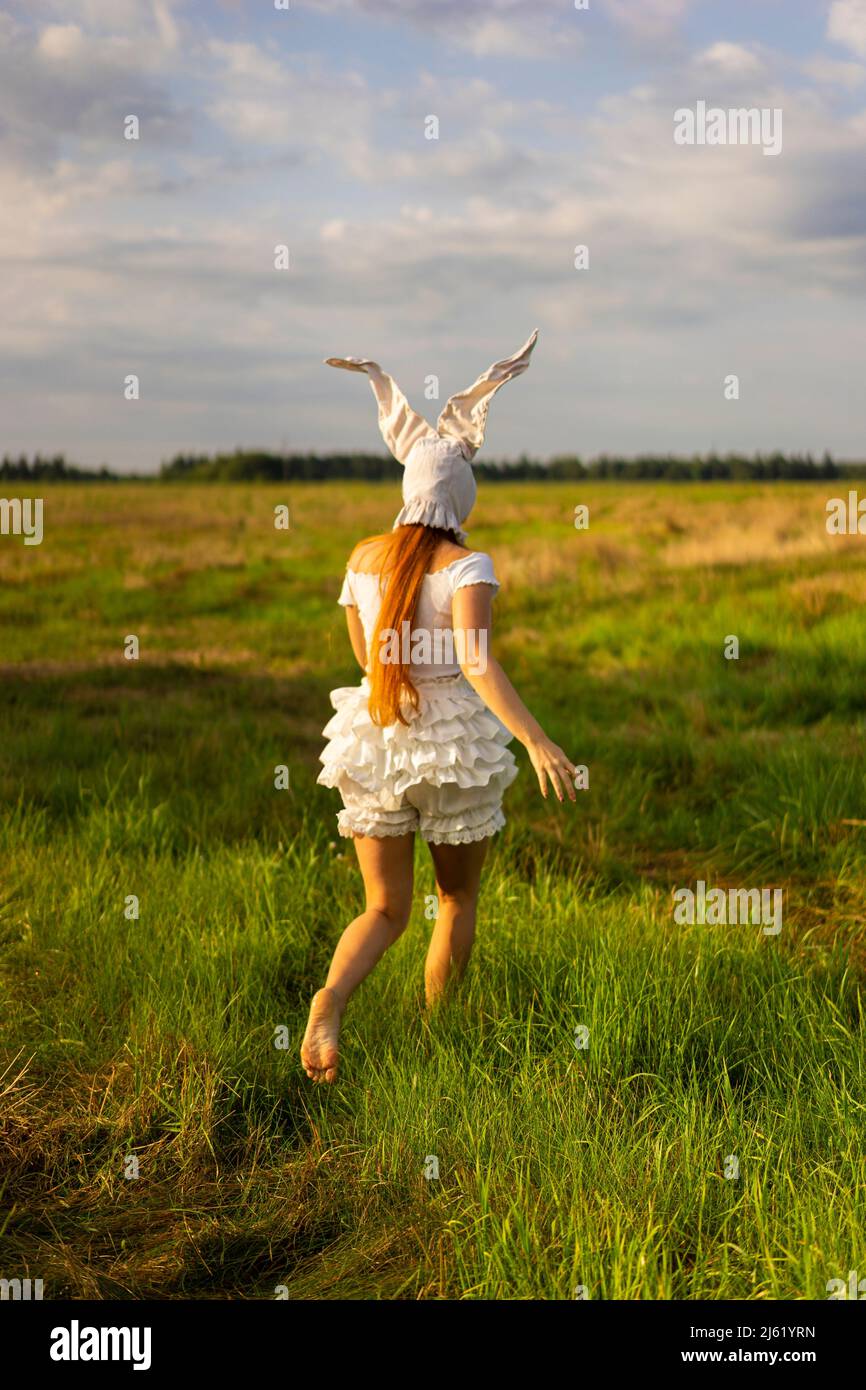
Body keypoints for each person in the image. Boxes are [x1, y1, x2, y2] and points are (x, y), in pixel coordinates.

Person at [303, 330, 576, 1082]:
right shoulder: (469, 564)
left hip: (376, 735)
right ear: (462, 497)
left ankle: (330, 998)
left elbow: (367, 661)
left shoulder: (362, 559)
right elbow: (477, 664)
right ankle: (437, 1044)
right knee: (454, 901)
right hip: (451, 744)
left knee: (385, 909)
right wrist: (537, 740)